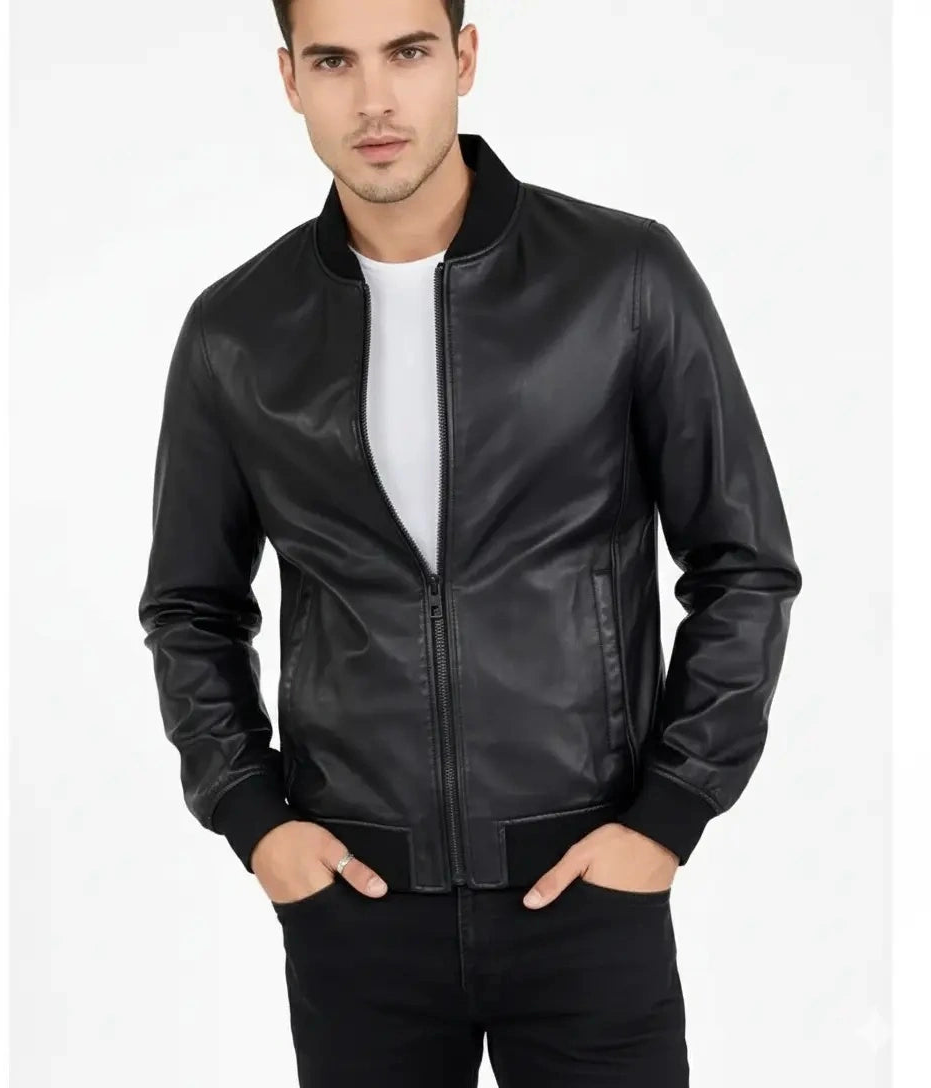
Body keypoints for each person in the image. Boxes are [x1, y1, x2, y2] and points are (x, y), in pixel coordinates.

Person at [137, 0, 802, 1084]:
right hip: (358, 911)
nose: (375, 99)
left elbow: (745, 564)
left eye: (407, 53)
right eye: (334, 62)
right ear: (290, 79)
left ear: (465, 57)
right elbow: (190, 607)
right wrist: (254, 819)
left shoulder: (623, 278)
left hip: (588, 894)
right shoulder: (236, 333)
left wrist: (669, 815)